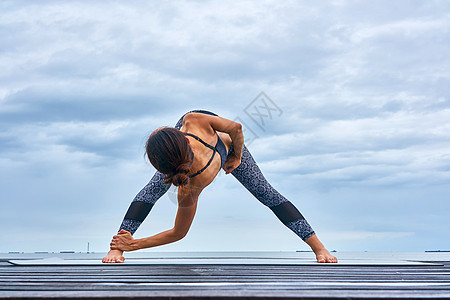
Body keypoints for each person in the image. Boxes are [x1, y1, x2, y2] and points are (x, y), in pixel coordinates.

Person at [102, 110, 337, 263]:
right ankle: (320, 250)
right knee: (153, 190)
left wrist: (236, 156)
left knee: (264, 191)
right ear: (182, 137)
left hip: (231, 147)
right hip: (205, 151)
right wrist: (131, 245)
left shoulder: (193, 121)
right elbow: (179, 233)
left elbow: (235, 129)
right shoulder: (190, 177)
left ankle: (318, 247)